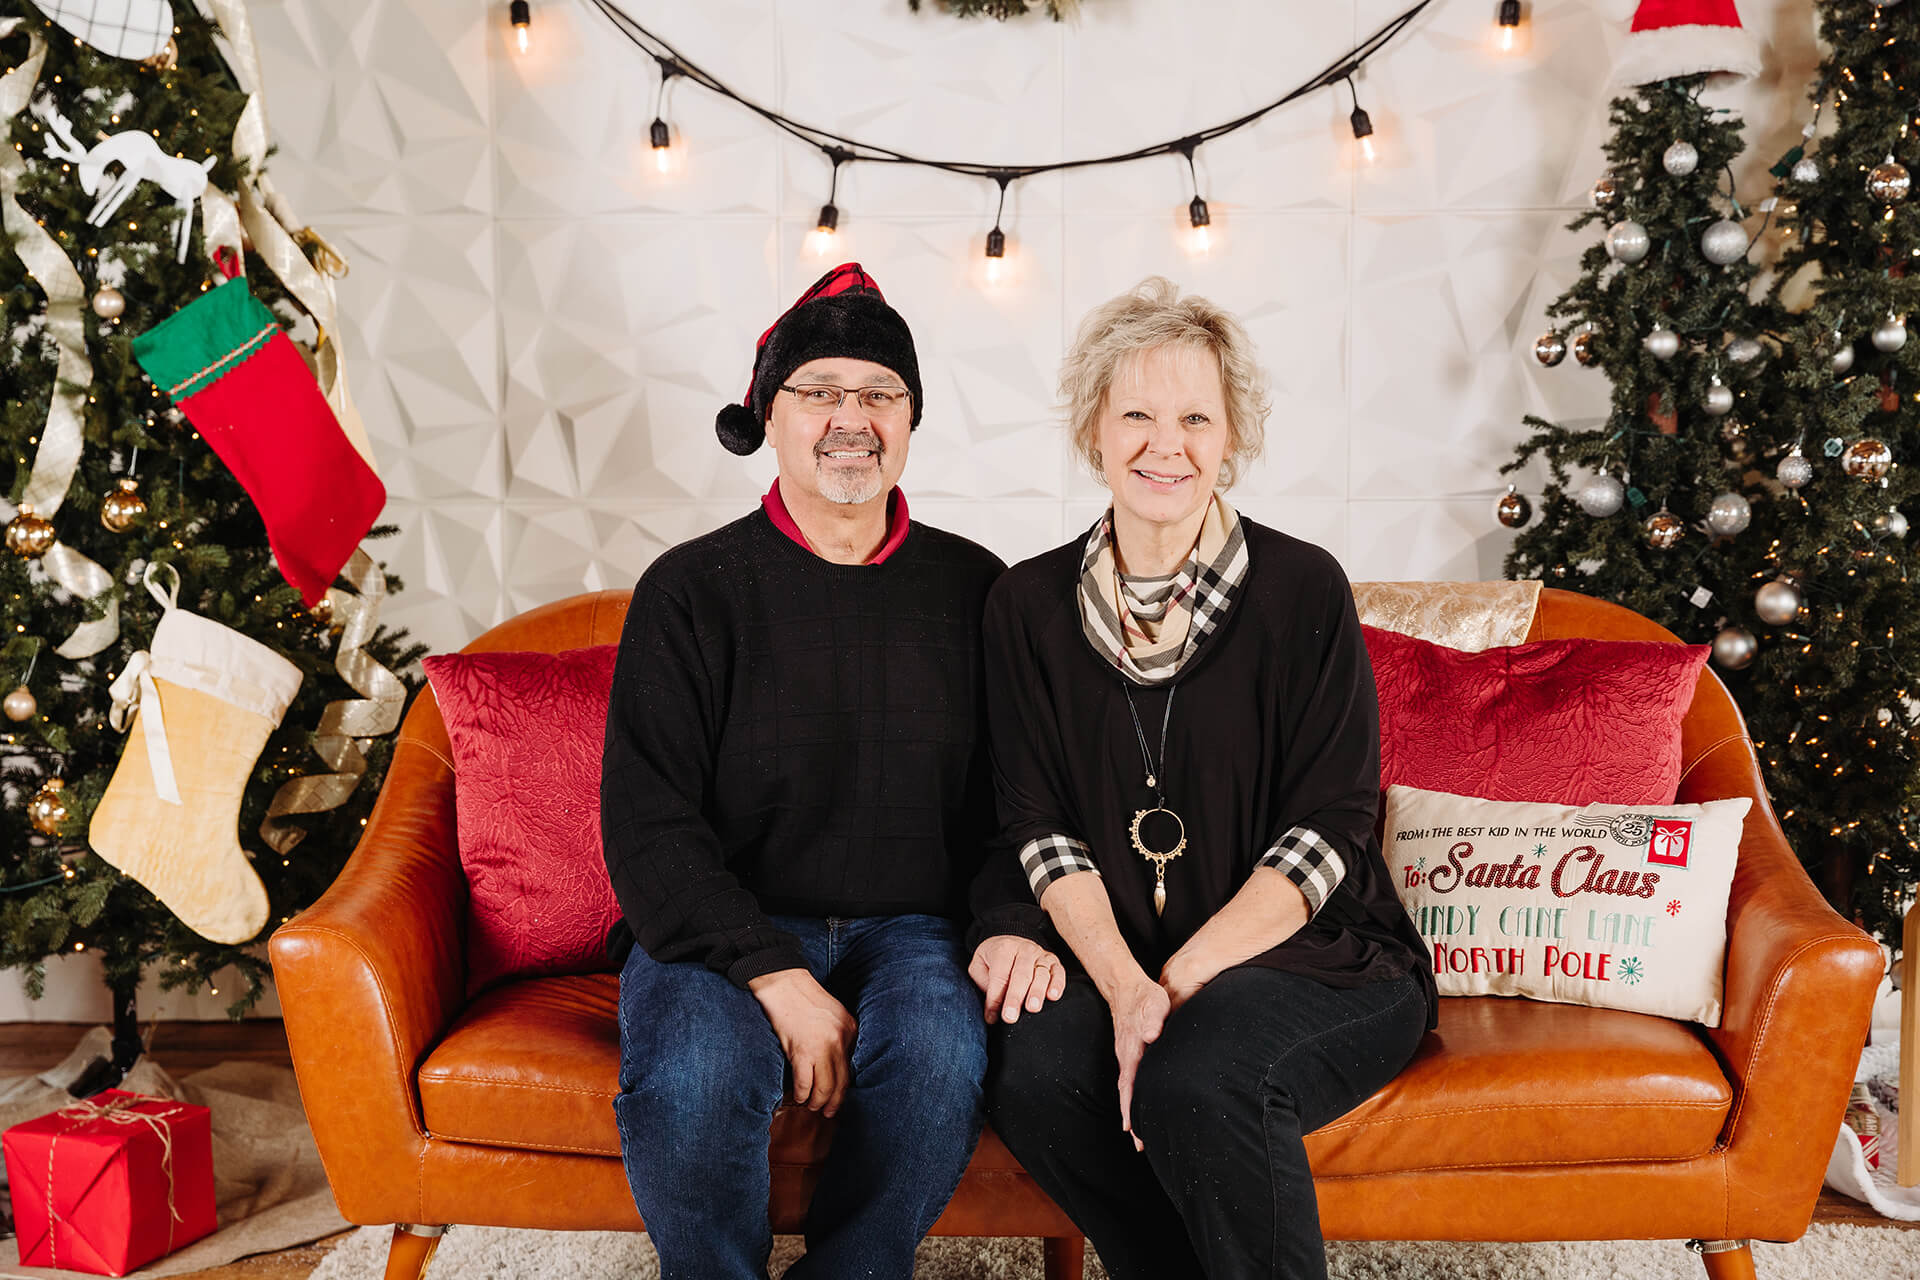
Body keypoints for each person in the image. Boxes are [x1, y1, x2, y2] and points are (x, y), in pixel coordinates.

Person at [600, 262, 1062, 1280]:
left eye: (879, 394)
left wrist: (1009, 924)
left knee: (941, 1055)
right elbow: (648, 821)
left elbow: (1016, 804)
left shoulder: (977, 586)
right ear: (769, 414)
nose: (850, 416)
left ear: (909, 420)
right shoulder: (689, 590)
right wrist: (777, 976)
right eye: (820, 391)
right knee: (696, 1071)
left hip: (915, 928)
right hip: (721, 927)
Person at [979, 277, 1437, 1280]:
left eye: (1195, 416)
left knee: (1199, 1072)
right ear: (1094, 430)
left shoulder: (1303, 586)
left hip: (1313, 951)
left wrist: (1169, 989)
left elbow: (1330, 824)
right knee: (1033, 1071)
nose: (1164, 443)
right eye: (1135, 413)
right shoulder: (1024, 605)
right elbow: (1037, 820)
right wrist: (1122, 984)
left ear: (1232, 437)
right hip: (1118, 952)